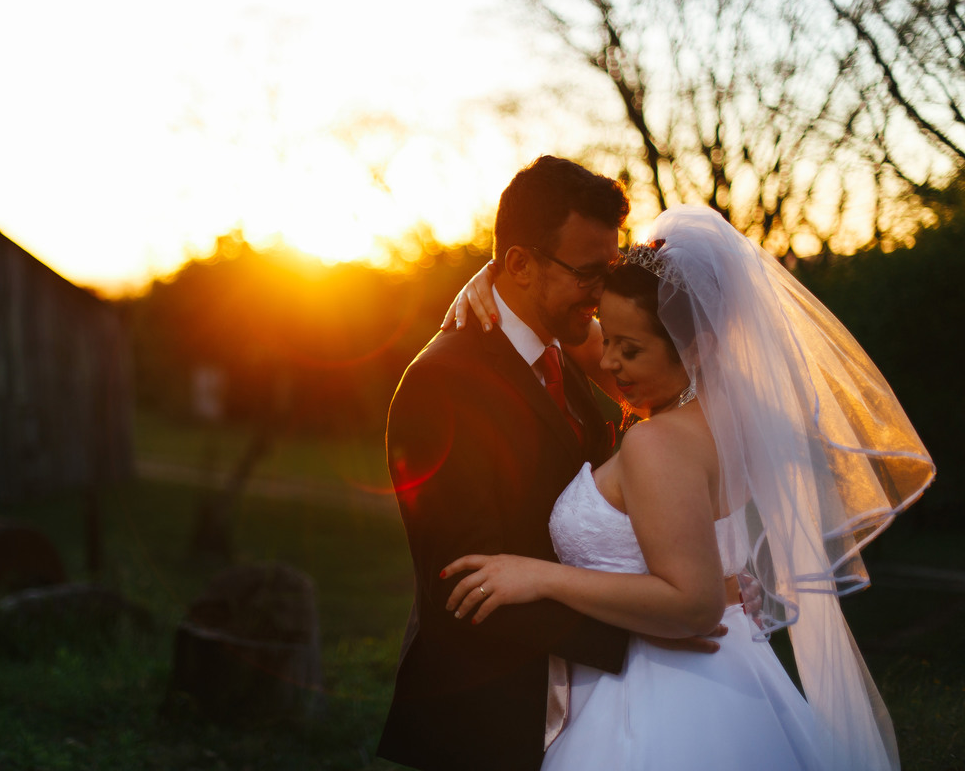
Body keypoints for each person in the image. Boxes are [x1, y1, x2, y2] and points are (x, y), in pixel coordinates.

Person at [442, 204, 935, 770]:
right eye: (610, 338)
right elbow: (579, 340)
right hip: (731, 672)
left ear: (694, 347)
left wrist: (540, 575)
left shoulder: (658, 444)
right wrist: (496, 282)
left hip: (659, 696)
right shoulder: (725, 418)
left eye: (629, 350)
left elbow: (695, 604)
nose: (608, 361)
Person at [377, 157, 723, 771]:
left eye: (609, 270)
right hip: (488, 722)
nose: (603, 292)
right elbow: (463, 583)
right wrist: (643, 630)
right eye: (588, 273)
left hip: (582, 708)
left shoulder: (571, 350)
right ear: (519, 264)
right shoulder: (442, 383)